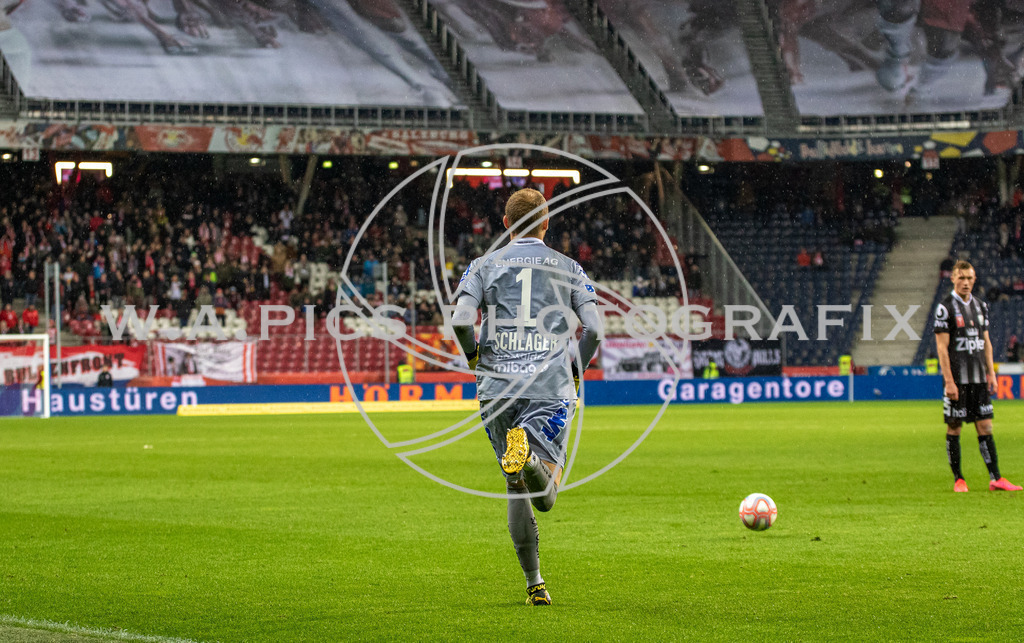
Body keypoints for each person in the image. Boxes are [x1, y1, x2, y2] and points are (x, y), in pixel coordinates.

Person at [451, 188, 603, 606]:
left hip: (496, 389)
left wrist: (474, 357)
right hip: (548, 386)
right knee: (546, 495)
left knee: (513, 483)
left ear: (505, 224)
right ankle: (532, 458)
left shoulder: (483, 265)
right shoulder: (568, 267)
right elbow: (594, 329)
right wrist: (576, 371)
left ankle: (535, 582)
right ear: (546, 223)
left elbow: (461, 321)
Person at [933, 260, 1021, 493]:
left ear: (974, 280)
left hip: (979, 379)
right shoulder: (945, 308)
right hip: (957, 381)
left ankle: (995, 478)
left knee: (986, 426)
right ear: (953, 278)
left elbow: (986, 342)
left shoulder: (981, 306)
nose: (966, 282)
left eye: (969, 278)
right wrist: (949, 382)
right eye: (961, 278)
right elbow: (942, 348)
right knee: (955, 427)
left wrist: (991, 373)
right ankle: (959, 479)